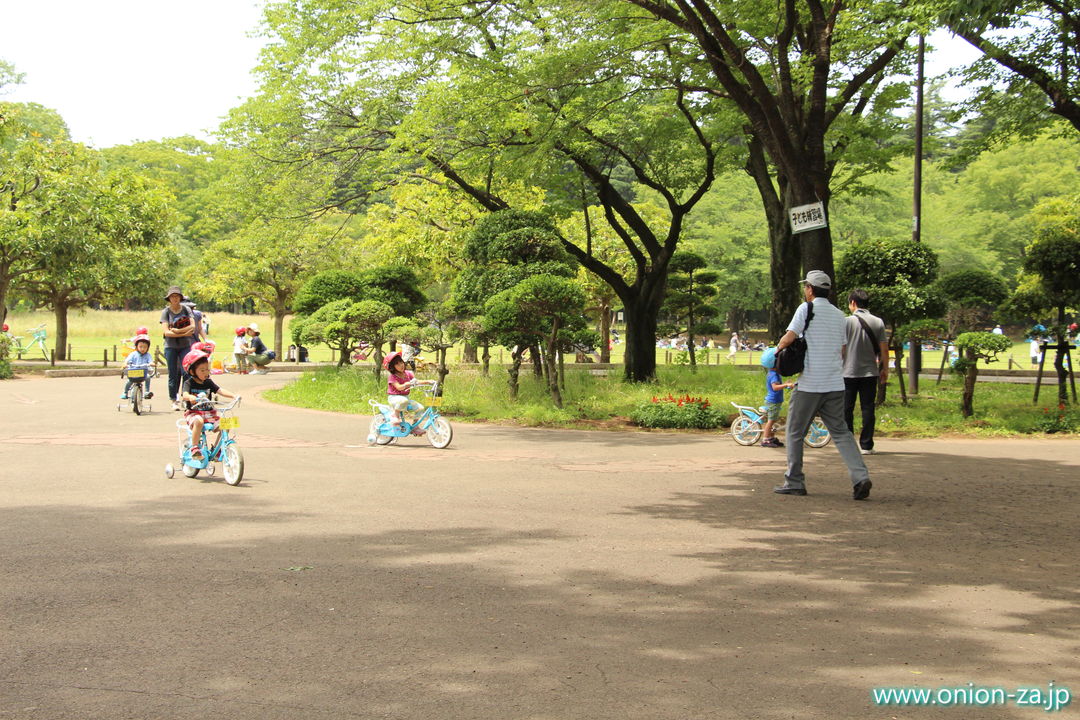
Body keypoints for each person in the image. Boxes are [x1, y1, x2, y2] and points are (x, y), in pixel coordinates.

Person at [773, 270, 872, 500]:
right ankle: (860, 476)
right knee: (841, 432)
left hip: (809, 384)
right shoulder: (839, 315)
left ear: (809, 288)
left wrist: (777, 350)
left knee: (795, 432)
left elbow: (789, 337)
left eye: (805, 287)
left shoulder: (806, 309)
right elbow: (843, 349)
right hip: (835, 383)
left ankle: (794, 481)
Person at [843, 289, 889, 455]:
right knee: (868, 408)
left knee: (846, 409)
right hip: (870, 372)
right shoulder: (878, 322)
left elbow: (841, 349)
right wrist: (885, 369)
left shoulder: (846, 322)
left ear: (853, 303)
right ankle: (867, 445)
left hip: (847, 372)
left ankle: (848, 445)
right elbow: (884, 349)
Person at [179, 349, 238, 462]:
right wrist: (190, 397)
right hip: (193, 413)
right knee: (199, 421)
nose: (206, 372)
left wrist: (233, 396)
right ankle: (194, 448)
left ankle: (218, 450)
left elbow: (220, 390)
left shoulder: (208, 382)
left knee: (226, 424)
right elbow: (185, 394)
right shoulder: (189, 383)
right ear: (192, 371)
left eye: (207, 369)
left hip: (210, 414)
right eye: (202, 370)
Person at [160, 286, 197, 411]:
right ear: (169, 299)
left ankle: (185, 398)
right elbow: (166, 332)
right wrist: (184, 333)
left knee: (187, 372)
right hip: (170, 346)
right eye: (172, 296)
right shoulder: (166, 312)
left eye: (177, 296)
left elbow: (193, 326)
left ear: (180, 298)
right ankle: (173, 399)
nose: (175, 298)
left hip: (184, 346)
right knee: (173, 373)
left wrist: (178, 330)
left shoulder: (186, 309)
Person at [383, 350, 434, 433]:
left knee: (420, 408)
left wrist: (428, 381)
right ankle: (395, 416)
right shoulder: (392, 377)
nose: (401, 365)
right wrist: (406, 384)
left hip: (405, 399)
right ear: (392, 367)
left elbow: (416, 382)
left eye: (401, 362)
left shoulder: (408, 373)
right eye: (397, 364)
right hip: (394, 399)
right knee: (403, 400)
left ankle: (415, 426)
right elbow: (398, 387)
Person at [759, 347, 794, 448]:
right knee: (771, 420)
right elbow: (775, 387)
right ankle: (765, 439)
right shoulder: (774, 375)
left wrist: (786, 384)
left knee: (773, 419)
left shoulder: (774, 373)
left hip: (775, 401)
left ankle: (771, 437)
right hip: (773, 401)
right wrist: (786, 385)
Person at [120, 334, 155, 400]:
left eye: (145, 347)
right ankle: (125, 392)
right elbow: (127, 360)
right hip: (133, 372)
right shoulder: (133, 354)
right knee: (129, 381)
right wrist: (125, 363)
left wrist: (152, 363)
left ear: (148, 348)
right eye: (140, 347)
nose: (142, 349)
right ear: (136, 347)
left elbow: (150, 361)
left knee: (148, 377)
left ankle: (146, 392)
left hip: (143, 372)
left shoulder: (148, 355)